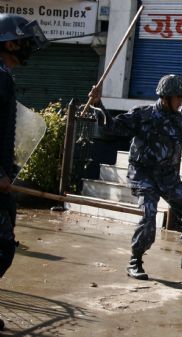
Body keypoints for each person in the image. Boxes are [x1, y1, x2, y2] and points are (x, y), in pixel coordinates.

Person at [89, 75, 182, 280]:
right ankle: (135, 261)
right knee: (149, 215)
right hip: (143, 174)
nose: (181, 103)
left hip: (167, 176)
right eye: (178, 98)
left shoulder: (181, 122)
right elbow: (112, 126)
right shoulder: (143, 115)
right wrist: (98, 104)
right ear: (166, 97)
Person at [0, 14, 48, 330]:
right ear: (9, 42)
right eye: (25, 40)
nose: (29, 47)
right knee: (1, 248)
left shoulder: (5, 76)